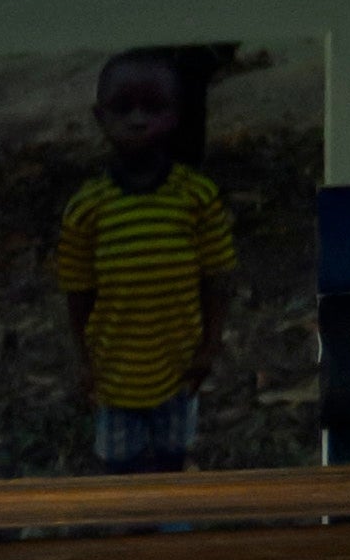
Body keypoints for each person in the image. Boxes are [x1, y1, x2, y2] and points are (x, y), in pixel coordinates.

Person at [53, 48, 236, 472]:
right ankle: (131, 525)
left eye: (152, 107)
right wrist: (84, 361)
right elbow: (77, 292)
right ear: (101, 118)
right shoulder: (87, 209)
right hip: (114, 373)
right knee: (121, 462)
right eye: (123, 108)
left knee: (172, 454)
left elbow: (218, 277)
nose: (137, 119)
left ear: (176, 115)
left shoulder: (196, 198)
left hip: (178, 366)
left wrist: (209, 347)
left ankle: (170, 521)